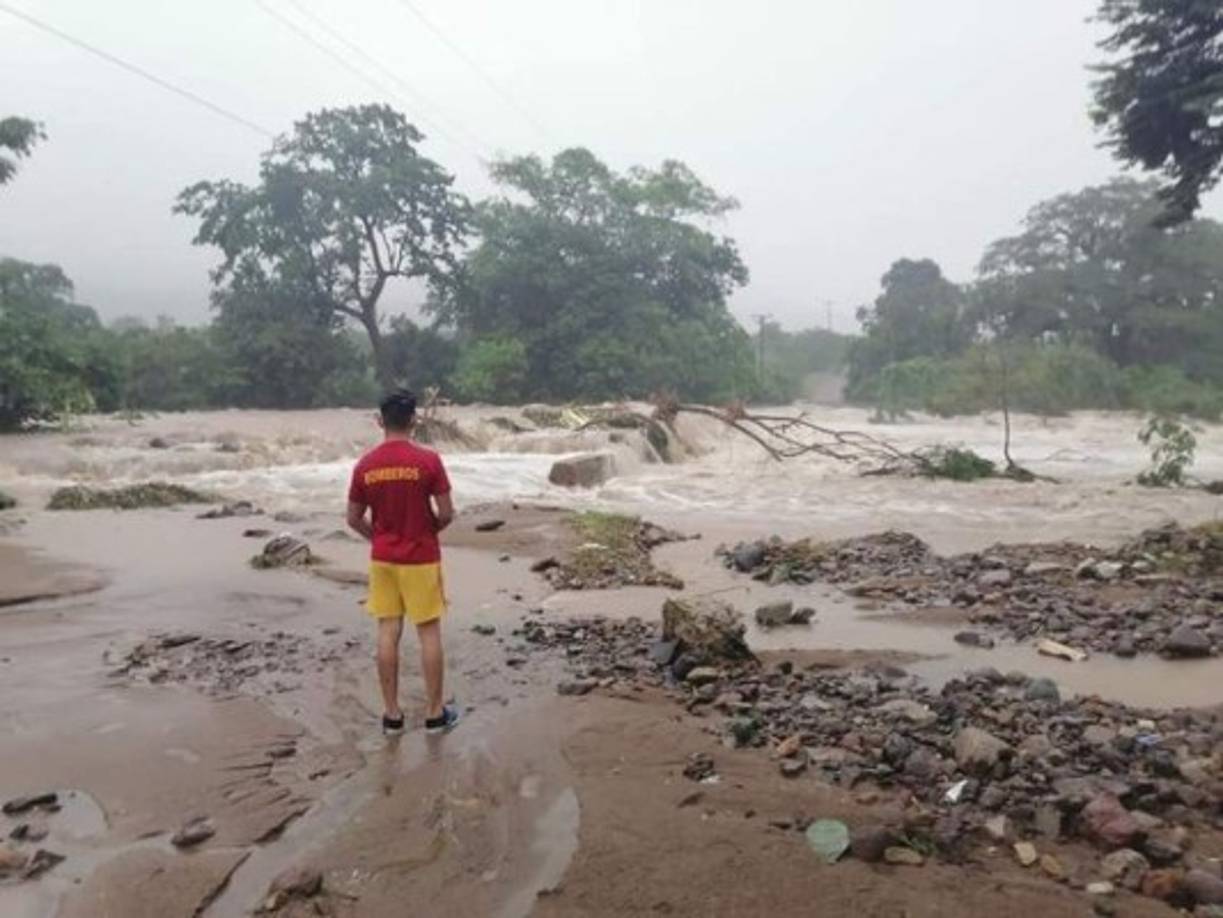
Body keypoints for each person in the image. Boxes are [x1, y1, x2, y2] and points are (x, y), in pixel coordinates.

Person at [346, 389, 459, 735]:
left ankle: (392, 716)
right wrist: (426, 531)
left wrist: (377, 538)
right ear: (414, 420)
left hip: (383, 559)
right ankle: (435, 713)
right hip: (421, 557)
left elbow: (352, 518)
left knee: (387, 631)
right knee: (428, 632)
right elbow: (446, 513)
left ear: (380, 421)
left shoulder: (365, 465)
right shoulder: (428, 461)